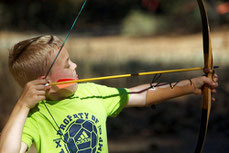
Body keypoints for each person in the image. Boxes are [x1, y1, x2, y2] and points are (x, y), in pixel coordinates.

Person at [0, 35, 218, 153]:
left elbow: (140, 95)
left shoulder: (91, 93)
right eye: (67, 65)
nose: (75, 65)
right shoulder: (34, 117)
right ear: (45, 82)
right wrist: (22, 105)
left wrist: (191, 85)